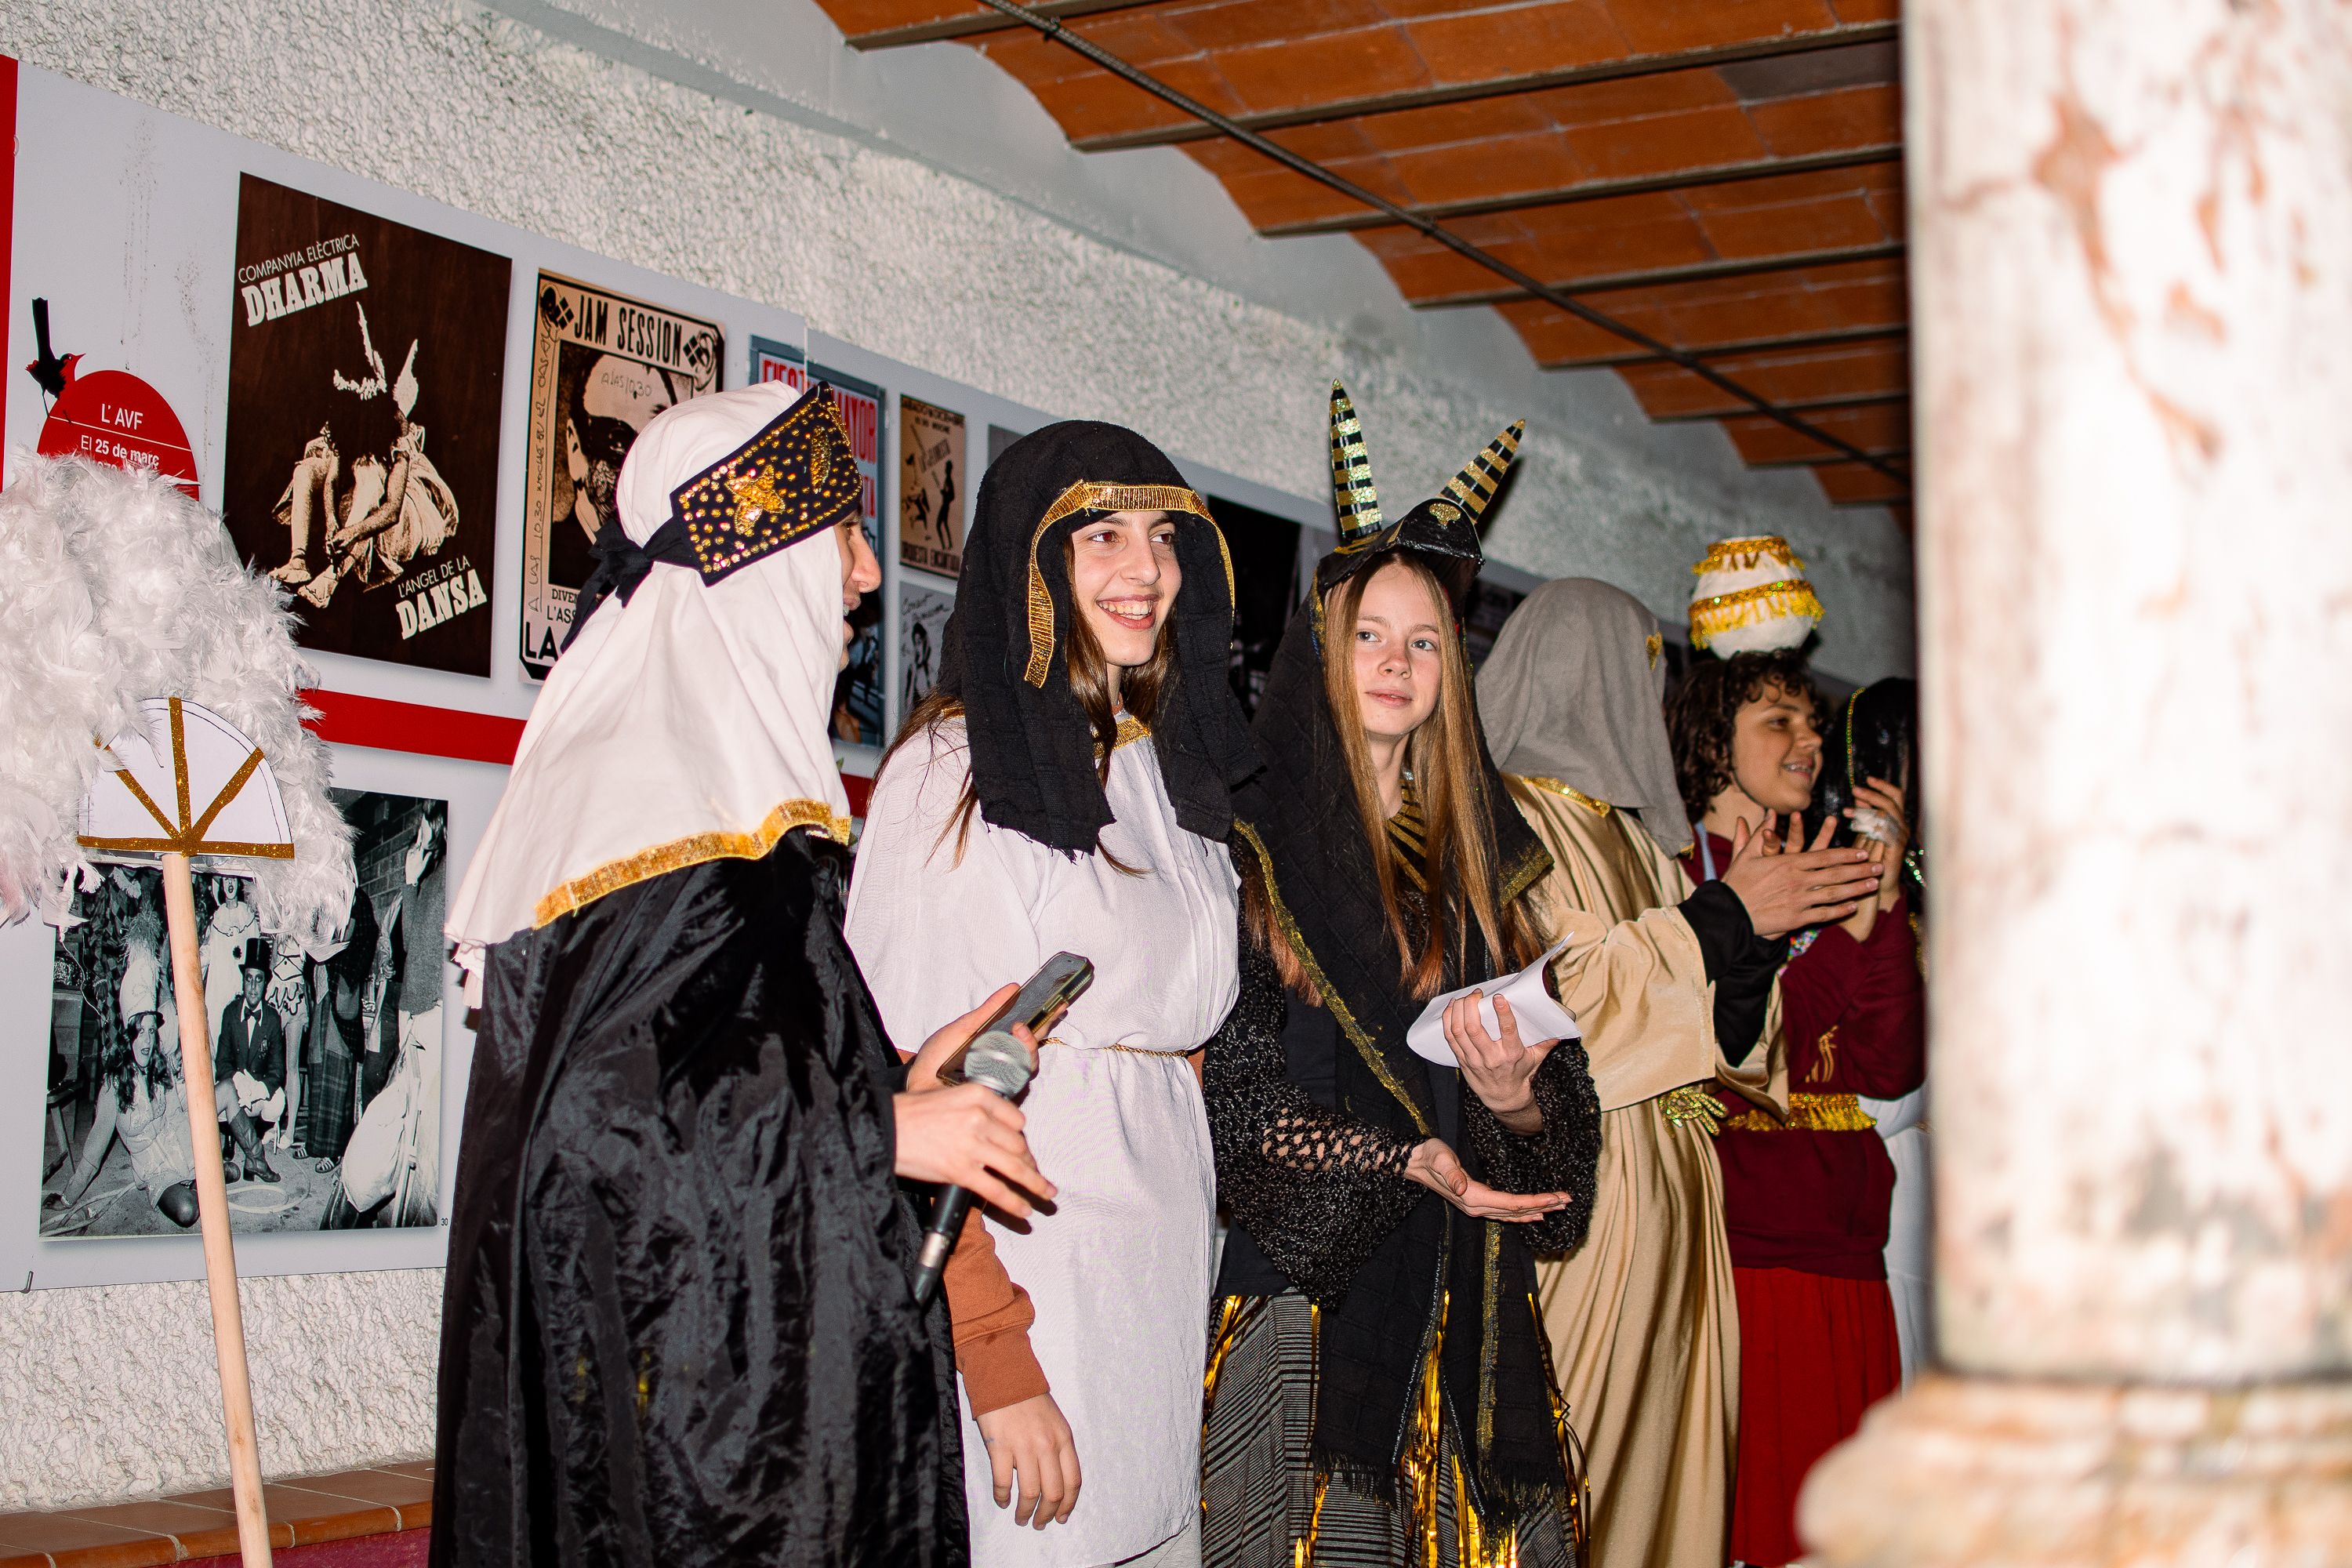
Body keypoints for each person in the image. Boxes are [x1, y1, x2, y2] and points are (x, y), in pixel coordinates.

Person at [433, 380, 1054, 1568]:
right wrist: (885, 1135)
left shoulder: (735, 830)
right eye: (844, 535)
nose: (866, 577)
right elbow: (602, 1141)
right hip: (690, 1470)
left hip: (768, 1420)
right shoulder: (649, 829)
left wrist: (908, 1084)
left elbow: (745, 1085)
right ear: (759, 559)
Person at [1200, 386, 1601, 1567]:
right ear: (1326, 646)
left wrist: (1519, 1099)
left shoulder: (1481, 874)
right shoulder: (1246, 844)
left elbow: (1560, 1168)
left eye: (1425, 641)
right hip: (1306, 1320)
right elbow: (1238, 1104)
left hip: (1461, 1318)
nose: (1397, 661)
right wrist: (1406, 1158)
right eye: (1371, 634)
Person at [847, 420, 1258, 1568]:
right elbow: (912, 1087)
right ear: (1034, 565)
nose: (1149, 570)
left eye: (1167, 536)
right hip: (1037, 1303)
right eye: (1106, 537)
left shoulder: (1162, 771)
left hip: (1159, 1293)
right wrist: (995, 1359)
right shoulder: (952, 773)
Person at [1475, 579, 1885, 1568]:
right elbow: (1557, 1007)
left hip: (1679, 1203)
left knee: (1666, 1481)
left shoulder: (1641, 845)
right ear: (1588, 668)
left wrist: (1751, 947)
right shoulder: (1509, 824)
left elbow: (1727, 1039)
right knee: (1579, 1481)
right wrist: (1730, 918)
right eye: (1645, 669)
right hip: (1592, 1204)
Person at [1665, 651, 1924, 1568]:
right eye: (1779, 718)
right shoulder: (1677, 875)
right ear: (1712, 737)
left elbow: (1888, 1064)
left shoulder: (1828, 862)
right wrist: (1855, 929)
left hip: (1850, 1252)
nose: (1811, 739)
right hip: (1753, 1256)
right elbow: (1746, 1052)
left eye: (1813, 720)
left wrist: (1885, 900)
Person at [47, 904, 201, 1230]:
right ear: (128, 1035)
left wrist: (200, 1146)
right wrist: (68, 1197)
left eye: (150, 1030)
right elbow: (94, 1150)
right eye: (139, 1031)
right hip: (154, 1169)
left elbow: (180, 1115)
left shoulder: (161, 1068)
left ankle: (210, 1174)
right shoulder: (114, 1087)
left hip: (183, 1151)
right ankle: (203, 1182)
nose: (146, 1040)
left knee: (209, 1179)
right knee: (188, 1212)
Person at [213, 938, 287, 1185]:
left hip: (257, 1091)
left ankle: (250, 1152)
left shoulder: (273, 1019)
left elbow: (278, 1069)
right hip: (235, 1093)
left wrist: (258, 1089)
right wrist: (235, 1080)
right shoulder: (230, 1013)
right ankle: (233, 1140)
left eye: (258, 979)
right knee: (219, 1106)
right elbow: (221, 1060)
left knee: (278, 1102)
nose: (253, 986)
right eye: (248, 978)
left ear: (265, 984)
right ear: (243, 980)